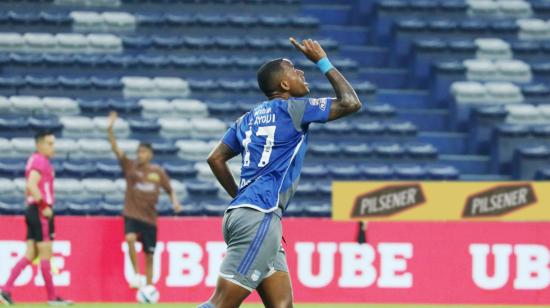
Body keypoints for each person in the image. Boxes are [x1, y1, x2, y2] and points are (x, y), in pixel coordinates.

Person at [200, 38, 362, 307]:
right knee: (221, 303)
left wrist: (241, 196)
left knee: (282, 305)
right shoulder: (295, 110)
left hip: (248, 213)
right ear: (284, 85)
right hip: (259, 216)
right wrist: (322, 60)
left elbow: (215, 158)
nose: (301, 72)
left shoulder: (247, 118)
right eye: (294, 69)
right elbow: (351, 103)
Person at [107, 111, 182, 289]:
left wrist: (175, 202)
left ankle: (149, 288)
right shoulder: (130, 166)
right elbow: (116, 149)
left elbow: (170, 190)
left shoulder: (158, 172)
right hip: (132, 214)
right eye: (138, 152)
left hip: (150, 218)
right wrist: (110, 129)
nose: (140, 155)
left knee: (150, 255)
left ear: (150, 154)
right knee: (130, 238)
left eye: (143, 152)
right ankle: (136, 275)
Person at [0, 131, 73, 306]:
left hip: (32, 209)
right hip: (40, 212)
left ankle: (6, 290)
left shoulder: (35, 160)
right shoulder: (40, 161)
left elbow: (30, 187)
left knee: (31, 254)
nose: (52, 147)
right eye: (49, 143)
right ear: (39, 145)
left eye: (53, 143)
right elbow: (31, 185)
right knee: (45, 254)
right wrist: (43, 206)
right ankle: (52, 298)